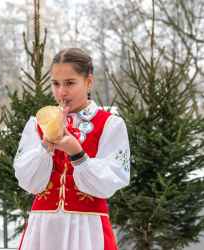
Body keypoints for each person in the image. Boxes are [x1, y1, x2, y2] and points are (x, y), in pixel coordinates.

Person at [13, 48, 130, 250]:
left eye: (70, 83)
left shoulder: (110, 124)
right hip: (44, 227)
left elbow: (112, 181)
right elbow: (27, 181)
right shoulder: (37, 124)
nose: (61, 92)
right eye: (55, 84)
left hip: (87, 228)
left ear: (89, 81)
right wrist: (45, 146)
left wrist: (78, 154)